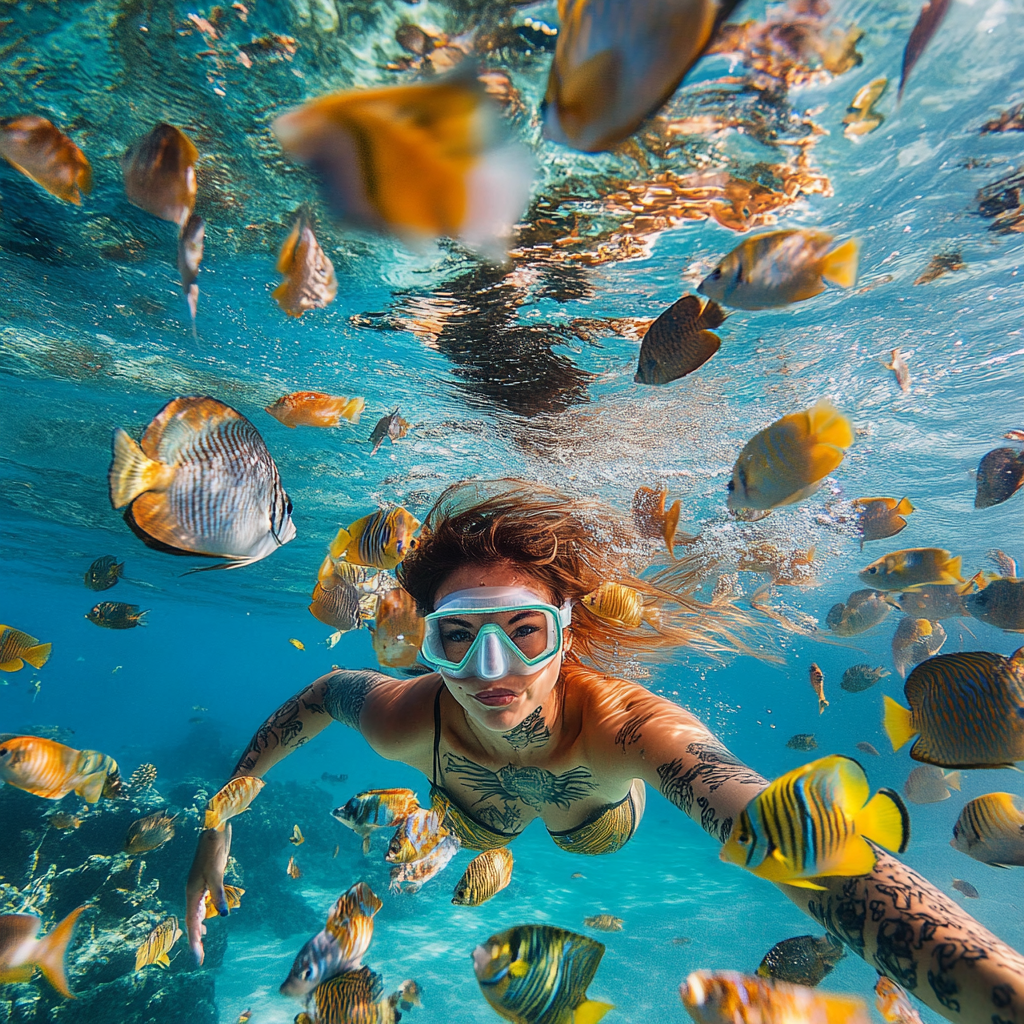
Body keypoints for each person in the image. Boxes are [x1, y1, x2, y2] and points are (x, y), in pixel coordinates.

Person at [186, 481, 1024, 1023]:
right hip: (470, 816)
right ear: (428, 643)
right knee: (476, 836)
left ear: (568, 633)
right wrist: (221, 819)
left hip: (597, 818)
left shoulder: (630, 727)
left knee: (587, 828)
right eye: (455, 638)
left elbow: (796, 841)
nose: (489, 673)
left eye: (524, 632)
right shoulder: (407, 716)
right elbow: (321, 692)